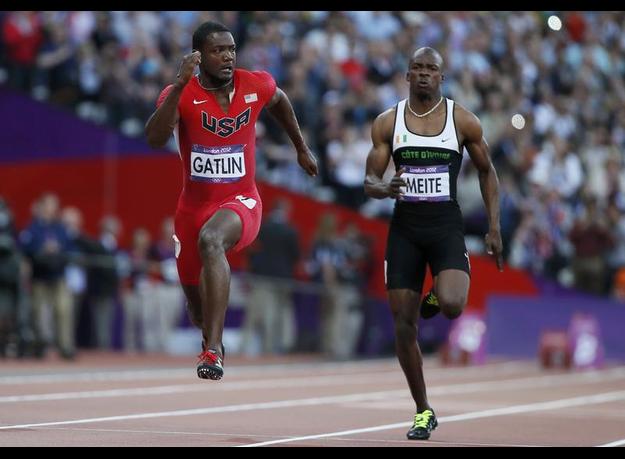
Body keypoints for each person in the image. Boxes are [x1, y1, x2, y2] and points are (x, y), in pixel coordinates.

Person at [145, 21, 318, 380]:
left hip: (242, 201)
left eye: (231, 49)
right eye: (217, 50)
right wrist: (178, 85)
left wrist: (301, 148)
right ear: (198, 56)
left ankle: (215, 349)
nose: (227, 56)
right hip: (191, 209)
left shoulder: (255, 83)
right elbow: (155, 138)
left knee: (212, 240)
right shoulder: (181, 93)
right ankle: (209, 336)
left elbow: (281, 101)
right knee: (197, 312)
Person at [364, 47, 503, 440]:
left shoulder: (462, 120)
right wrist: (383, 187)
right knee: (403, 326)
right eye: (417, 69)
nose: (424, 75)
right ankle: (423, 409)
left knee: (454, 303)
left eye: (431, 69)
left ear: (442, 77)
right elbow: (368, 181)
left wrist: (494, 227)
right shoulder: (388, 122)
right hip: (405, 229)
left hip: (445, 226)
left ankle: (436, 297)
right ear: (407, 75)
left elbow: (487, 172)